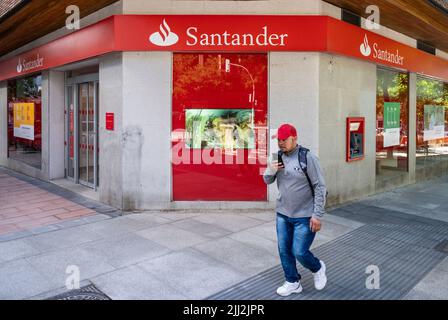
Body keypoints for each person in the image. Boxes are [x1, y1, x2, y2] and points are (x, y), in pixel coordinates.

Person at [263, 123, 328, 297]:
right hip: (283, 214)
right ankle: (292, 281)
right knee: (284, 250)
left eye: (285, 139)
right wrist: (272, 168)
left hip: (305, 216)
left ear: (295, 138)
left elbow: (320, 187)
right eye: (280, 140)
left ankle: (317, 267)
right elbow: (267, 180)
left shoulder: (308, 158)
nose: (282, 143)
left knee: (299, 251)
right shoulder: (277, 157)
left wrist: (317, 215)